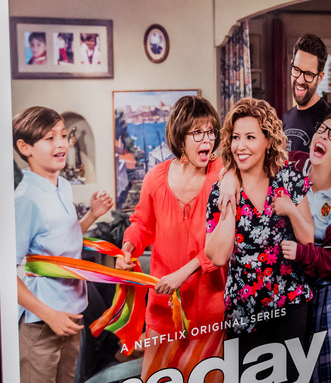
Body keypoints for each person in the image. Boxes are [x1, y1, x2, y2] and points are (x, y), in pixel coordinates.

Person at [115, 96, 227, 382]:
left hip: (209, 312)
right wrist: (128, 248)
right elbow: (141, 224)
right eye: (198, 132)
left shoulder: (223, 174)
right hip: (163, 311)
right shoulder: (155, 178)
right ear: (180, 137)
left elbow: (227, 241)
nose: (208, 140)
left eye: (211, 131)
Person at [205, 98, 314, 374]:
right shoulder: (221, 191)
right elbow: (217, 256)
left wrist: (289, 209)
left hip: (289, 305)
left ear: (268, 140)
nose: (240, 146)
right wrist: (230, 199)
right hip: (244, 312)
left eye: (250, 137)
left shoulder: (289, 179)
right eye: (235, 137)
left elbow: (309, 239)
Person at [13, 106, 114, 383]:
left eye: (62, 135)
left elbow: (66, 240)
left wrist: (92, 214)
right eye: (49, 138)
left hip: (71, 313)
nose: (61, 144)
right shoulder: (25, 199)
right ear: (25, 147)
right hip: (42, 323)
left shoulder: (64, 186)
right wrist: (50, 315)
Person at [282, 112, 331, 383]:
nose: (323, 135)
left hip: (325, 287)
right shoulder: (294, 164)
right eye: (322, 130)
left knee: (328, 373)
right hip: (289, 280)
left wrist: (302, 253)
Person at [282, 33, 331, 152]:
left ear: (320, 77)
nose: (300, 80)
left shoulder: (330, 122)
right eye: (296, 69)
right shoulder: (286, 118)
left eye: (308, 74)